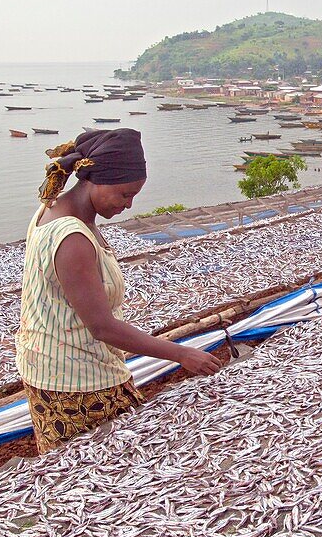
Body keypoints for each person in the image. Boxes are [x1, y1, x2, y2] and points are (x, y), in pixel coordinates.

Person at [16, 128, 221, 452]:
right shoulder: (72, 239)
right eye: (124, 194)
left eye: (134, 196)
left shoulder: (54, 209)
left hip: (50, 367)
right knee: (104, 465)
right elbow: (102, 327)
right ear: (95, 179)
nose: (128, 204)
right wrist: (181, 354)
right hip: (76, 381)